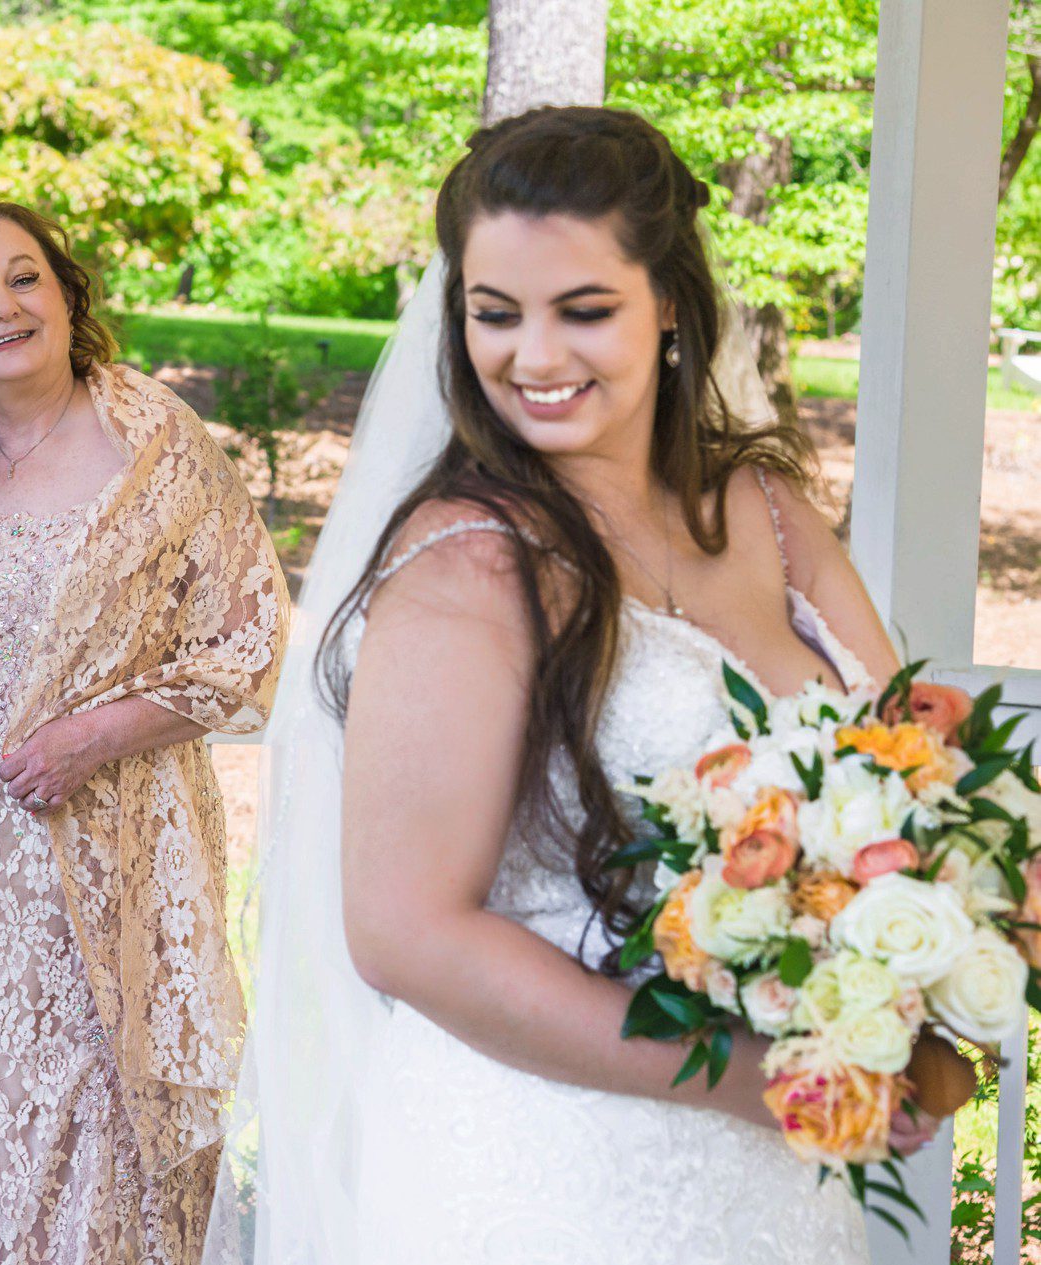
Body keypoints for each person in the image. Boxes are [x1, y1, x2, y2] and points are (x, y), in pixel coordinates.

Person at [213, 106, 937, 1264]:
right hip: (546, 1174)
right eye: (495, 313)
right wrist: (755, 1077)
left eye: (583, 310)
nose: (534, 358)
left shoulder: (769, 514)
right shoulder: (469, 561)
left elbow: (921, 790)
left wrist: (935, 997)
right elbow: (406, 933)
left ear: (669, 305)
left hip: (776, 1183)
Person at [0, 200, 291, 1264]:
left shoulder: (152, 440)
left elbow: (251, 639)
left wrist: (94, 734)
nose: (2, 307)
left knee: (92, 1151)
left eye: (23, 277)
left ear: (65, 292)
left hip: (105, 877)